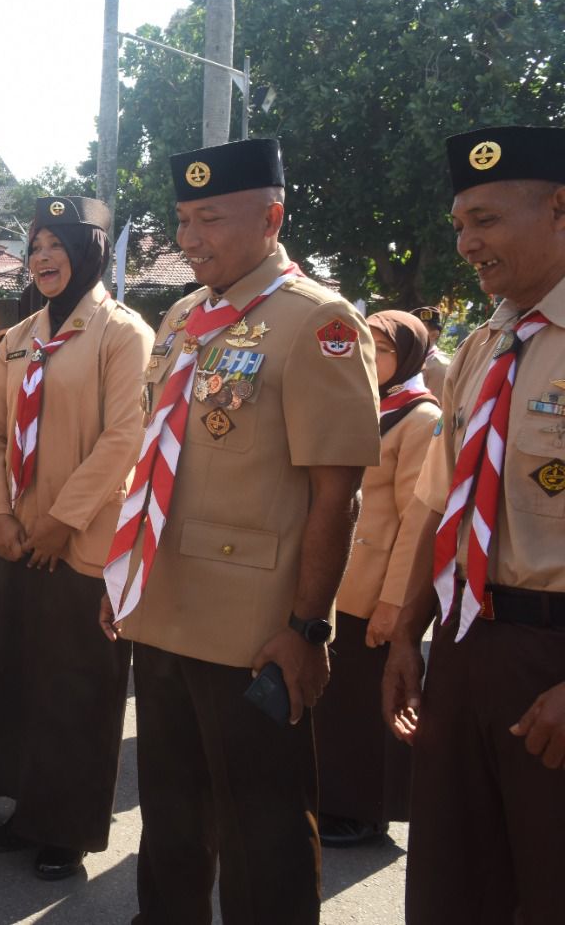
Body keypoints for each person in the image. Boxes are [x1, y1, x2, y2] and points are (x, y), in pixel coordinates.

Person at [101, 139, 380, 925]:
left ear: (272, 216)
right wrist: (124, 573)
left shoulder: (317, 321)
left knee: (262, 831)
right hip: (161, 611)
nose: (189, 238)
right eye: (183, 219)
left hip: (253, 633)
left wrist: (306, 628)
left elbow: (337, 495)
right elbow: (154, 457)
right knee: (170, 817)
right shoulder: (187, 315)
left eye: (210, 219)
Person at [382, 125, 565, 924]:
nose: (466, 242)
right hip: (463, 644)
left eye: (485, 219)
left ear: (560, 207)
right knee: (455, 883)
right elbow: (443, 500)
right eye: (459, 223)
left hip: (552, 663)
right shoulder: (480, 347)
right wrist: (403, 632)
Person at [0, 195, 150, 880]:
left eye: (56, 243)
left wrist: (59, 519)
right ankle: (24, 807)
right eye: (35, 244)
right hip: (11, 537)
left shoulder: (122, 332)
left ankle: (65, 827)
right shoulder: (17, 335)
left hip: (83, 541)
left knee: (75, 687)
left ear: (90, 250)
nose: (42, 257)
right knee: (12, 676)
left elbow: (125, 436)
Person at [311, 310, 437, 846]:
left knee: (369, 707)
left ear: (406, 355)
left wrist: (396, 604)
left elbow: (418, 521)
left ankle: (365, 811)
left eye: (384, 349)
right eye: (368, 346)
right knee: (336, 705)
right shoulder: (362, 405)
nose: (374, 358)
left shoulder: (420, 417)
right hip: (341, 582)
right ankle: (334, 800)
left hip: (376, 588)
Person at [412, 304, 452, 398]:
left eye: (418, 330)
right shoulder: (413, 360)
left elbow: (436, 405)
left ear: (434, 335)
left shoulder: (438, 365)